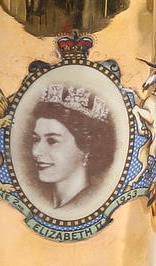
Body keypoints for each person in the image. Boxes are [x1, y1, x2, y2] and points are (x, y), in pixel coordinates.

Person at [27, 83, 119, 214]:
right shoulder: (43, 202)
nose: (36, 152)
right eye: (36, 139)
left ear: (86, 147)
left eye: (52, 141)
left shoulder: (91, 203)